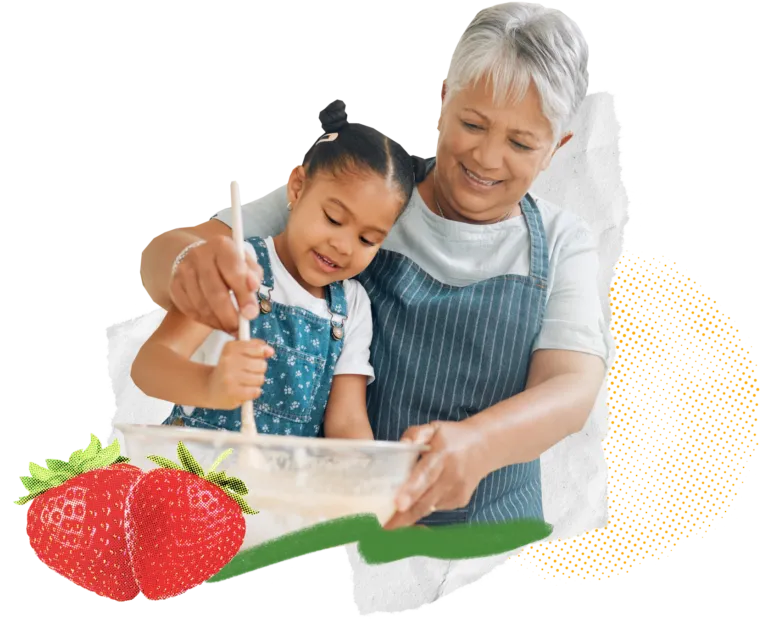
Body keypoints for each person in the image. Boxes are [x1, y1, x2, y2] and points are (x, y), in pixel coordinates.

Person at [138, 1, 610, 530]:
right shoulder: (366, 185)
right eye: (473, 124)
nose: (487, 158)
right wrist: (185, 263)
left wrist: (479, 445)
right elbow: (175, 253)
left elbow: (570, 389)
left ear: (556, 149)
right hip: (340, 520)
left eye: (521, 143)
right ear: (443, 99)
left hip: (494, 532)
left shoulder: (563, 240)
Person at [131, 104, 415, 440]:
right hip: (192, 474)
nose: (343, 245)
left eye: (367, 239)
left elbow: (347, 422)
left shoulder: (352, 307)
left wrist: (373, 482)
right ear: (297, 188)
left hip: (279, 487)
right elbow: (149, 366)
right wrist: (209, 384)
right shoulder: (238, 266)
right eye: (334, 219)